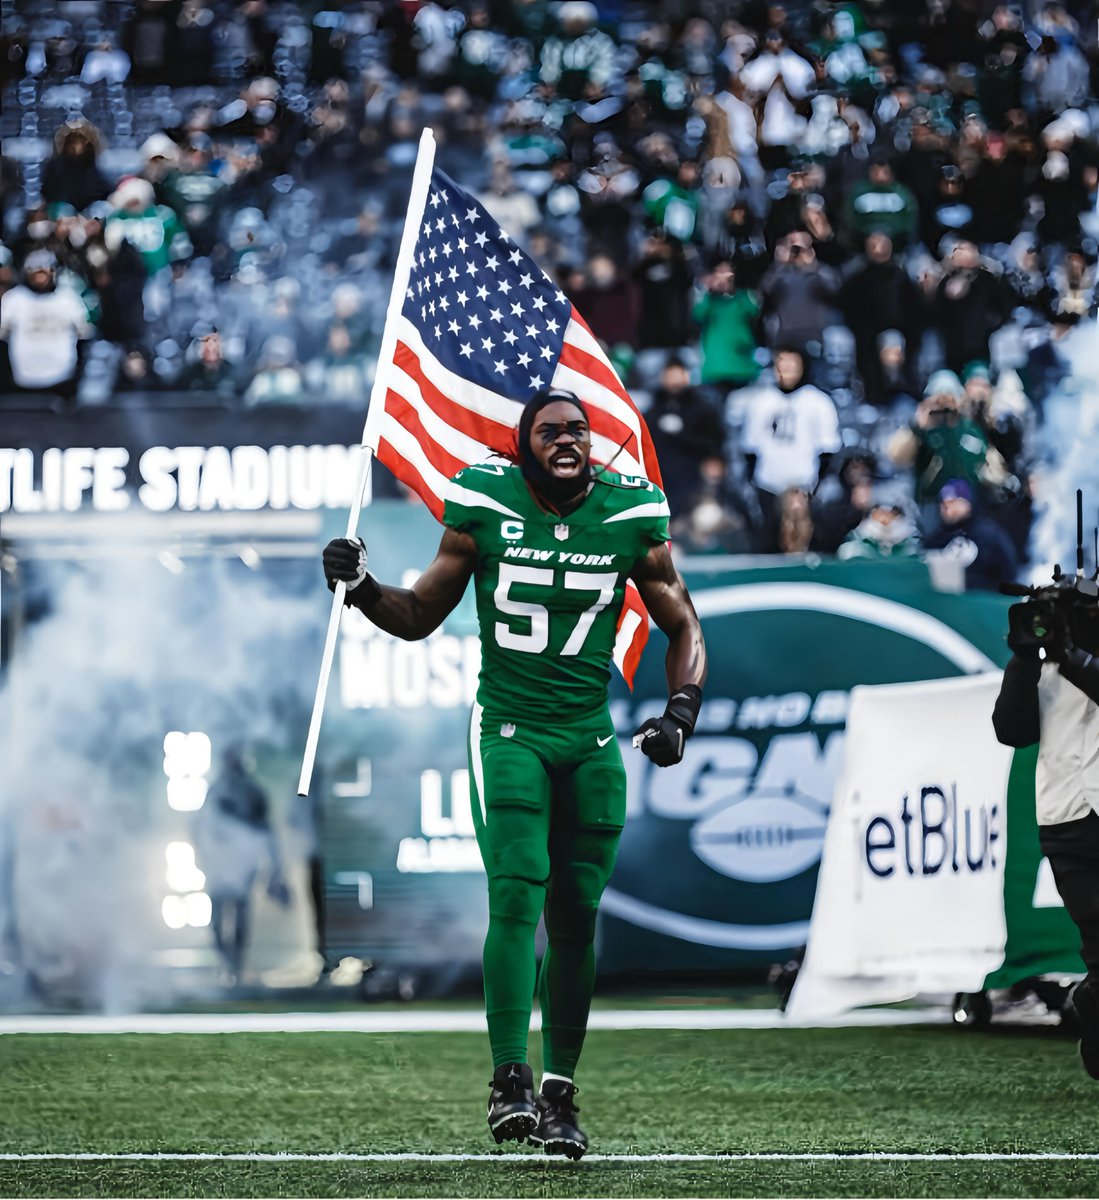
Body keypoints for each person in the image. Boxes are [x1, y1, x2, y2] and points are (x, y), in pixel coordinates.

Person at [322, 388, 707, 1158]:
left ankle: (561, 1094)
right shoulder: (482, 499)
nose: (567, 440)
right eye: (550, 430)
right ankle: (509, 1079)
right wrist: (362, 590)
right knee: (516, 893)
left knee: (576, 915)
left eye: (578, 429)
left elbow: (681, 622)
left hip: (589, 735)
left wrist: (680, 712)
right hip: (509, 728)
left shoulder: (632, 510)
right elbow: (420, 613)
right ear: (523, 442)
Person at [992, 585, 1099, 1079]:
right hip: (1065, 819)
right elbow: (1012, 730)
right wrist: (1023, 659)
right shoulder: (1047, 662)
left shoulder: (1076, 657)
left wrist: (1070, 655)